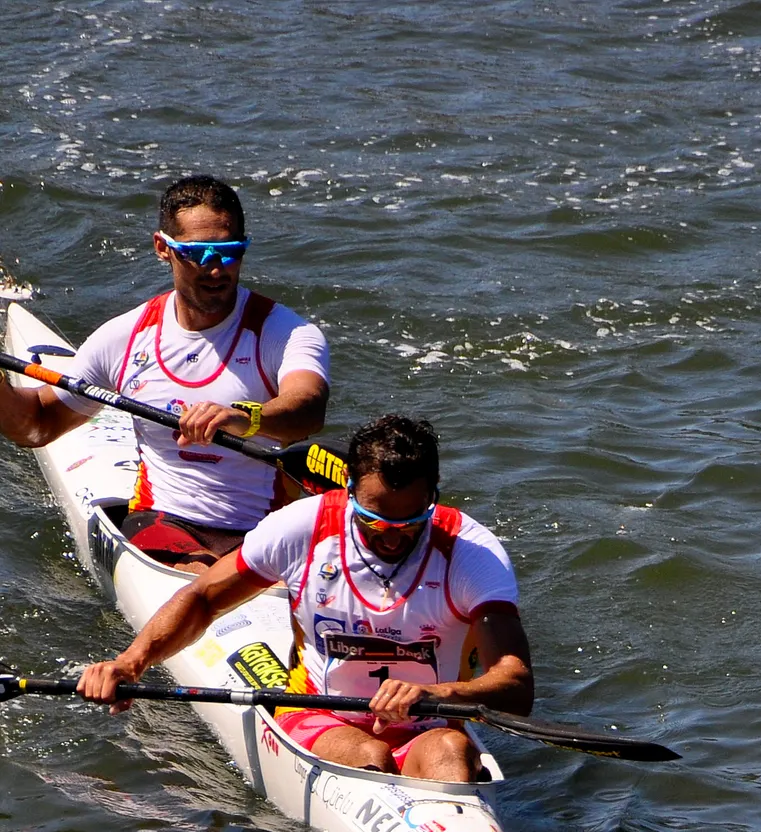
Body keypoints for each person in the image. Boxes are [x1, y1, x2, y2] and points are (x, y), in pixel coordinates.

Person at [77, 414, 534, 782]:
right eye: (373, 519)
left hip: (432, 723)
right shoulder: (303, 527)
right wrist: (131, 663)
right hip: (319, 716)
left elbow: (516, 683)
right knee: (369, 752)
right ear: (350, 493)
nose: (392, 537)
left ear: (433, 496)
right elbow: (202, 598)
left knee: (450, 749)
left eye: (409, 522)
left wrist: (437, 692)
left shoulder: (471, 553)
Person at [0, 175, 329, 571]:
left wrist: (246, 417)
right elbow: (37, 424)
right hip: (163, 522)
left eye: (229, 252)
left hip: (264, 530)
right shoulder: (126, 337)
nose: (216, 269)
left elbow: (308, 409)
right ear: (163, 248)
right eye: (198, 253)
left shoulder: (284, 332)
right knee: (202, 573)